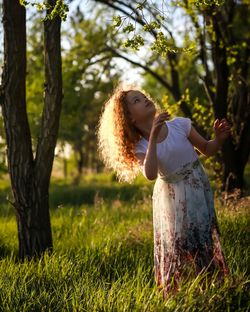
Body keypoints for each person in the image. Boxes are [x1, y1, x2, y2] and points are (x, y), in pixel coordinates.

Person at [96, 83, 231, 299]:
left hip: (197, 189)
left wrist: (218, 138)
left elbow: (206, 149)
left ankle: (211, 289)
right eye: (136, 101)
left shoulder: (179, 125)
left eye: (143, 96)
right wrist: (153, 137)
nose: (145, 99)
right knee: (181, 243)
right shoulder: (140, 147)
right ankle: (184, 293)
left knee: (202, 237)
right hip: (173, 198)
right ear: (130, 119)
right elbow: (150, 173)